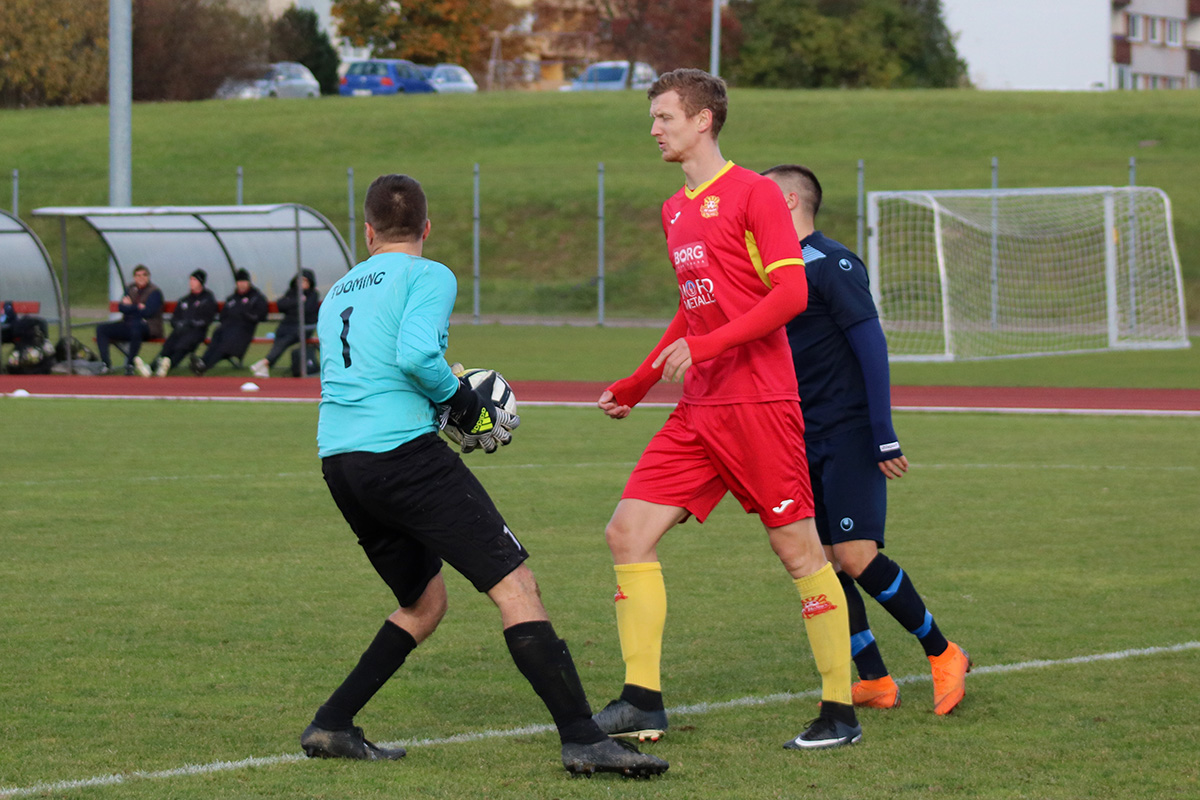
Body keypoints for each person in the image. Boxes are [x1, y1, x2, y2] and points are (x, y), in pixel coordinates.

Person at [304, 173, 667, 778]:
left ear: (367, 232)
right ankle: (582, 738)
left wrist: (438, 401)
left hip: (341, 460)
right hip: (401, 456)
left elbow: (369, 369)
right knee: (516, 586)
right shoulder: (429, 274)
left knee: (424, 603)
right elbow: (415, 356)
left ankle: (332, 724)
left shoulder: (339, 289)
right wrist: (463, 404)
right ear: (426, 227)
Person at [593, 69, 860, 751]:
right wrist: (638, 382)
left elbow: (791, 295)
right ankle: (642, 701)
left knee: (797, 549)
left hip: (759, 402)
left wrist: (707, 346)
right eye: (653, 119)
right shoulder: (673, 209)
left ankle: (840, 711)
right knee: (627, 533)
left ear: (703, 120)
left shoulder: (755, 193)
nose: (655, 129)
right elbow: (694, 308)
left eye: (664, 117)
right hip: (700, 408)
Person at [762, 163, 971, 715]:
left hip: (847, 431)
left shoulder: (832, 263)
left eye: (762, 195)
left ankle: (944, 652)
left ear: (789, 201)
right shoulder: (772, 269)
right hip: (796, 435)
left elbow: (872, 347)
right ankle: (875, 678)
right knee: (820, 562)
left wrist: (883, 434)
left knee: (855, 556)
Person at [190, 268, 268, 375]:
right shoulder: (232, 298)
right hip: (226, 328)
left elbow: (261, 315)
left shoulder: (256, 297)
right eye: (239, 282)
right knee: (216, 339)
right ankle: (202, 361)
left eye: (244, 281)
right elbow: (223, 315)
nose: (241, 284)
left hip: (243, 331)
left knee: (224, 345)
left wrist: (246, 316)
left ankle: (204, 365)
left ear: (249, 282)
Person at [144, 269, 218, 377]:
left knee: (184, 344)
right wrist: (178, 324)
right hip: (181, 331)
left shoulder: (207, 299)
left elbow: (207, 319)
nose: (191, 282)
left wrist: (191, 323)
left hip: (197, 332)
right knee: (169, 344)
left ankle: (168, 365)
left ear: (201, 282)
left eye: (194, 280)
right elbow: (175, 318)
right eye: (190, 280)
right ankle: (152, 367)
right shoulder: (185, 300)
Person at [249, 268, 319, 378]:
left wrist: (292, 305)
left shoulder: (313, 294)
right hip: (287, 325)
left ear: (310, 282)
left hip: (303, 327)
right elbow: (281, 305)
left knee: (285, 341)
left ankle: (266, 362)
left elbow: (307, 309)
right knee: (280, 338)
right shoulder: (292, 292)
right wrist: (298, 301)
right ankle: (266, 365)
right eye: (300, 280)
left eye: (305, 280)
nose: (301, 283)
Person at [96, 264, 163, 375]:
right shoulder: (130, 289)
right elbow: (122, 307)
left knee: (136, 329)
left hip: (148, 327)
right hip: (128, 324)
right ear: (134, 277)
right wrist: (137, 307)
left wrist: (130, 307)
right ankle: (106, 364)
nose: (141, 278)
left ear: (148, 276)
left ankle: (130, 364)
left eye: (144, 275)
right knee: (102, 329)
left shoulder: (154, 292)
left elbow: (148, 312)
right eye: (138, 275)